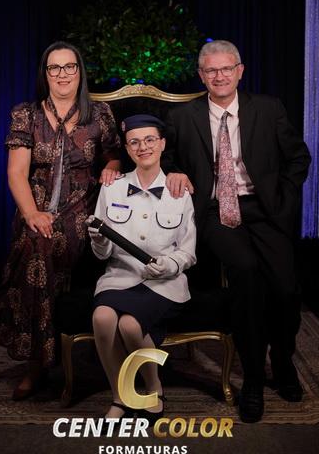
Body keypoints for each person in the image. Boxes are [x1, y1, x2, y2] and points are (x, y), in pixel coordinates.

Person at [162, 40, 311, 423]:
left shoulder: (268, 108)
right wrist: (174, 171)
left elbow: (298, 157)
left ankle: (282, 361)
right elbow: (166, 156)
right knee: (246, 275)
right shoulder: (182, 116)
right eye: (211, 70)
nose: (220, 76)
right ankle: (254, 380)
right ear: (201, 76)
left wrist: (284, 199)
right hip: (215, 212)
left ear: (240, 71)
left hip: (264, 209)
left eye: (226, 68)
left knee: (286, 288)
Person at [0, 41, 121, 400]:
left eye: (69, 67)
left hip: (81, 205)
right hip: (35, 203)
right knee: (35, 239)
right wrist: (31, 213)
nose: (62, 74)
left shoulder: (99, 113)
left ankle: (17, 339)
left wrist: (112, 168)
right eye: (54, 68)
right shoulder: (26, 115)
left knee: (41, 246)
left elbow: (114, 155)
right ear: (45, 74)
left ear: (80, 72)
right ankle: (38, 361)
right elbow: (16, 173)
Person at [87, 114, 196, 423]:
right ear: (127, 148)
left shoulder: (179, 190)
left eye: (150, 140)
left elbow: (188, 252)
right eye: (134, 142)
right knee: (102, 317)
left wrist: (170, 264)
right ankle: (120, 395)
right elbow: (101, 254)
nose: (143, 147)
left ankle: (152, 387)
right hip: (119, 277)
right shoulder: (112, 188)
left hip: (164, 283)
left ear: (162, 144)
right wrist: (98, 239)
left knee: (131, 326)